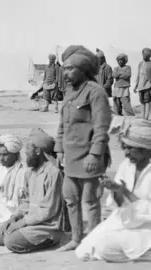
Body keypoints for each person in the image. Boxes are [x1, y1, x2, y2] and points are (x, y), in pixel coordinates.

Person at [55, 45, 113, 252]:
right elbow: (63, 124)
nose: (66, 73)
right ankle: (77, 238)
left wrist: (95, 154)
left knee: (90, 201)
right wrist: (59, 149)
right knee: (70, 198)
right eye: (65, 68)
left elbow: (102, 127)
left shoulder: (96, 92)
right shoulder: (70, 93)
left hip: (89, 156)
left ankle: (94, 241)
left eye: (70, 69)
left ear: (83, 69)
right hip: (70, 156)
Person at [76, 118, 151, 262]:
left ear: (146, 149)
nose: (126, 153)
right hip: (124, 218)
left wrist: (124, 191)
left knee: (107, 246)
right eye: (125, 148)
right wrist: (114, 190)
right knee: (84, 250)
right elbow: (118, 203)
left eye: (130, 148)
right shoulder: (126, 165)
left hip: (147, 224)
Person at [0, 129, 66, 253]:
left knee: (10, 242)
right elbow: (25, 202)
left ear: (38, 151)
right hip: (30, 221)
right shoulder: (30, 172)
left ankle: (51, 240)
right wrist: (14, 218)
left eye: (28, 149)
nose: (25, 152)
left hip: (48, 225)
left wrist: (22, 223)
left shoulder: (53, 173)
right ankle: (24, 234)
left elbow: (48, 211)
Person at [134, 48, 151, 120]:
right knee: (141, 101)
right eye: (143, 54)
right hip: (140, 86)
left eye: (145, 54)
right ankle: (143, 116)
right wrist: (136, 85)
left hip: (148, 86)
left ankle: (146, 117)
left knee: (147, 101)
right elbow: (138, 75)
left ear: (149, 55)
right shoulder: (140, 63)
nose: (144, 55)